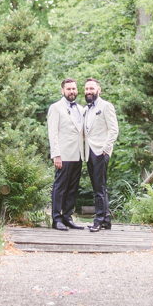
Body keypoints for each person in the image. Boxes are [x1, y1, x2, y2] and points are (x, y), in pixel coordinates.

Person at [47, 78, 85, 231]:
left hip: (78, 154)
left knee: (73, 188)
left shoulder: (81, 109)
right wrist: (56, 155)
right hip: (63, 155)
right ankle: (56, 219)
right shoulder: (56, 108)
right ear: (62, 91)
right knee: (60, 187)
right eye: (68, 89)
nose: (71, 91)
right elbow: (53, 132)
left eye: (74, 89)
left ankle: (67, 217)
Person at [82, 78, 119, 232]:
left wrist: (106, 148)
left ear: (99, 90)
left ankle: (99, 220)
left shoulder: (106, 106)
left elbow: (114, 129)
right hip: (88, 151)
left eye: (91, 88)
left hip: (100, 151)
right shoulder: (86, 109)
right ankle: (105, 220)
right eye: (86, 89)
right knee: (98, 186)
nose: (89, 91)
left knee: (99, 187)